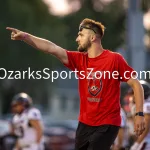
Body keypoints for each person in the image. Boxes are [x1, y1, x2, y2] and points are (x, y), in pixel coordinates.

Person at [6, 18, 145, 150]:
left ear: (92, 37)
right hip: (85, 123)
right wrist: (25, 36)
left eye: (81, 35)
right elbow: (51, 48)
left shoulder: (115, 59)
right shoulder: (78, 60)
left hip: (107, 123)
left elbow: (136, 85)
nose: (77, 39)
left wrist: (139, 114)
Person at [129, 80, 150, 150]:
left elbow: (146, 127)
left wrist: (137, 143)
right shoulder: (137, 106)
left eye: (135, 92)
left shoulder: (146, 105)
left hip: (146, 141)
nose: (133, 95)